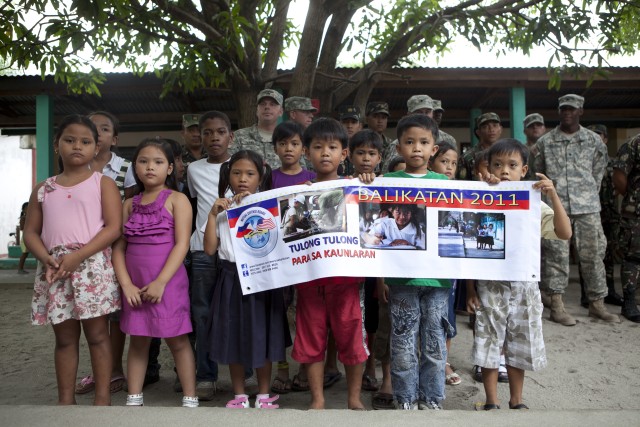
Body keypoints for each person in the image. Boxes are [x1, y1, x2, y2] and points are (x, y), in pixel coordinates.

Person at [24, 114, 122, 405]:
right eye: (69, 140)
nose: (77, 146)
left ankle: (101, 399)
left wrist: (78, 256)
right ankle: (65, 401)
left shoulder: (102, 183)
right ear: (56, 145)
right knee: (65, 340)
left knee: (97, 336)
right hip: (54, 269)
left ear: (96, 148)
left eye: (85, 141)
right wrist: (48, 259)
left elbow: (114, 227)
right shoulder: (44, 188)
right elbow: (30, 232)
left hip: (91, 267)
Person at [468, 138, 572, 410]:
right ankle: (492, 401)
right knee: (490, 339)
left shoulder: (533, 203)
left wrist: (553, 195)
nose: (504, 171)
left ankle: (517, 400)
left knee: (519, 340)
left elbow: (564, 233)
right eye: (498, 165)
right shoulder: (481, 198)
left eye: (512, 165)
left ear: (523, 170)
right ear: (487, 167)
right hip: (491, 283)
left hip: (524, 283)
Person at [112, 138, 197, 407]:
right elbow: (118, 249)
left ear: (170, 168)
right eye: (143, 161)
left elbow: (183, 244)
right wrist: (126, 285)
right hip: (134, 286)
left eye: (158, 162)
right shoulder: (128, 204)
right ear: (135, 167)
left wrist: (160, 282)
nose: (150, 167)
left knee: (178, 340)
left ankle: (190, 396)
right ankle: (134, 397)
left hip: (168, 283)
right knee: (138, 340)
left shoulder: (178, 200)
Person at [291, 118, 369, 410]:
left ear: (344, 154)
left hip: (347, 282)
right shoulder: (297, 194)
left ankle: (353, 398)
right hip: (310, 281)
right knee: (311, 340)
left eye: (333, 147)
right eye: (318, 147)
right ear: (307, 153)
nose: (325, 153)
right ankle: (318, 399)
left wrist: (367, 183)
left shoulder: (356, 187)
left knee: (352, 340)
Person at [204, 150, 289, 409]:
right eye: (237, 173)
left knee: (263, 335)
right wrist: (211, 215)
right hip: (231, 279)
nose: (243, 179)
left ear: (260, 177)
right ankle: (239, 394)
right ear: (228, 177)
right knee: (234, 335)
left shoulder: (271, 205)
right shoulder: (222, 209)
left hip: (264, 279)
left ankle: (264, 394)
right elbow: (209, 249)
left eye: (250, 173)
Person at [379, 114, 451, 410]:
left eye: (424, 142)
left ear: (434, 149)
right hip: (402, 279)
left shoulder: (446, 183)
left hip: (438, 280)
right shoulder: (386, 182)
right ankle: (405, 398)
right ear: (399, 147)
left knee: (434, 343)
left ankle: (432, 398)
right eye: (410, 142)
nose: (417, 148)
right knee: (403, 342)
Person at [534, 94, 619, 324]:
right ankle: (557, 306)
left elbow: (598, 173)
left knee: (593, 255)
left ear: (581, 111)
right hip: (556, 207)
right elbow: (539, 173)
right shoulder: (545, 142)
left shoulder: (594, 141)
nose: (567, 112)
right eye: (563, 109)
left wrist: (587, 192)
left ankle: (597, 304)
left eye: (572, 109)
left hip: (587, 207)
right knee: (556, 256)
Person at [74, 110, 136, 396]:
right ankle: (100, 370)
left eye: (105, 129)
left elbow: (134, 207)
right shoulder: (75, 167)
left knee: (112, 314)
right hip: (81, 249)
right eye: (93, 128)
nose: (98, 134)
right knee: (89, 313)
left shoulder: (126, 168)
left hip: (116, 247)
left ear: (115, 138)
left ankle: (113, 371)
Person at [187, 111, 234, 400]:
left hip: (235, 250)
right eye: (207, 132)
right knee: (202, 313)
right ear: (200, 137)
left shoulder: (245, 165)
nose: (214, 137)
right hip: (201, 250)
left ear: (231, 135)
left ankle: (247, 373)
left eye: (220, 131)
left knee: (239, 310)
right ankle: (206, 375)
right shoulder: (193, 169)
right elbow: (194, 204)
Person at [349, 130, 383, 394]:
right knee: (351, 317)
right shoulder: (341, 183)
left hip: (377, 263)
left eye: (371, 153)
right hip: (349, 263)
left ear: (379, 158)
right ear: (349, 156)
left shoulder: (387, 184)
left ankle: (371, 367)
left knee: (371, 317)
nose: (365, 158)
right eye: (360, 153)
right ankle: (341, 368)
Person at [428, 141, 462, 387]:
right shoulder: (422, 187)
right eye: (444, 161)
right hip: (424, 264)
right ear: (431, 162)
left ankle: (444, 360)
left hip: (449, 266)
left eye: (454, 163)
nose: (449, 167)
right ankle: (424, 357)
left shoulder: (461, 191)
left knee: (447, 314)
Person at [582, 124, 623, 307]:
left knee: (607, 254)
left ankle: (610, 290)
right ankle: (587, 294)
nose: (596, 138)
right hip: (589, 212)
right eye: (593, 135)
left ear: (605, 139)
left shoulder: (613, 163)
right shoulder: (583, 162)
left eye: (599, 135)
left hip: (609, 214)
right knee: (589, 254)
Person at [612, 133, 640, 322]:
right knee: (633, 257)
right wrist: (633, 199)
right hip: (636, 213)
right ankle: (629, 302)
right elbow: (619, 177)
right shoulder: (634, 144)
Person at [231, 89, 284, 167]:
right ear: (257, 110)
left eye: (272, 104)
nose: (267, 107)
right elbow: (229, 165)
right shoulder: (239, 136)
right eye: (263, 104)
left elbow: (300, 169)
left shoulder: (287, 138)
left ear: (281, 112)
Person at [457, 112, 502, 180]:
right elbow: (461, 184)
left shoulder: (508, 154)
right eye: (485, 127)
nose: (491, 129)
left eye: (495, 125)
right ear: (478, 132)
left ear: (500, 129)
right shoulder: (467, 157)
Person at [271, 121, 316, 188]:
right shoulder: (269, 178)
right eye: (283, 144)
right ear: (275, 149)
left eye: (294, 144)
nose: (288, 149)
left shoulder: (313, 178)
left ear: (303, 150)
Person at [365, 102, 395, 173]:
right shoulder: (360, 141)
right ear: (367, 119)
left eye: (383, 118)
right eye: (375, 117)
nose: (380, 121)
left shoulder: (392, 144)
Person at [523, 113, 546, 180]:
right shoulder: (520, 150)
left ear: (544, 128)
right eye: (531, 126)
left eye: (538, 125)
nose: (535, 127)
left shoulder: (551, 148)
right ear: (524, 131)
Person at [16, 202, 30, 274]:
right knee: (25, 254)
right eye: (27, 209)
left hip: (30, 238)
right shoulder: (23, 218)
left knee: (37, 254)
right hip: (25, 238)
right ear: (24, 210)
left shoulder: (31, 217)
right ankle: (20, 269)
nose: (29, 210)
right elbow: (21, 228)